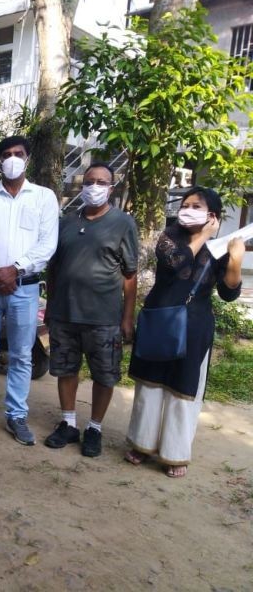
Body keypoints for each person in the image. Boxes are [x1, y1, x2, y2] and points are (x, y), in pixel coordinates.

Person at [125, 186, 242, 478]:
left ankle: (175, 453)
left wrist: (236, 260)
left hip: (194, 326)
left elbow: (229, 293)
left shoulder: (222, 247)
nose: (187, 209)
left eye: (195, 205)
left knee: (183, 388)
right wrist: (204, 236)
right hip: (159, 319)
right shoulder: (170, 237)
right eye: (185, 204)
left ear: (211, 214)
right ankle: (142, 444)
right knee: (150, 385)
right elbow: (175, 263)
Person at [0, 135, 59, 445]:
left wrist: (14, 269)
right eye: (6, 154)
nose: (12, 158)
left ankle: (17, 415)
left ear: (27, 158)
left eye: (18, 153)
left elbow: (47, 244)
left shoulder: (43, 197)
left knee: (21, 355)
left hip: (25, 288)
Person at [43, 163, 139, 457]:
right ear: (82, 185)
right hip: (64, 313)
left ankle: (94, 428)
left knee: (104, 375)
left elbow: (130, 274)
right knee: (65, 370)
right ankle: (69, 423)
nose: (94, 186)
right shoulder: (66, 223)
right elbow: (53, 269)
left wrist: (127, 318)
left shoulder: (123, 223)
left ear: (112, 188)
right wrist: (50, 307)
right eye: (90, 181)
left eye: (102, 182)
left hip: (104, 318)